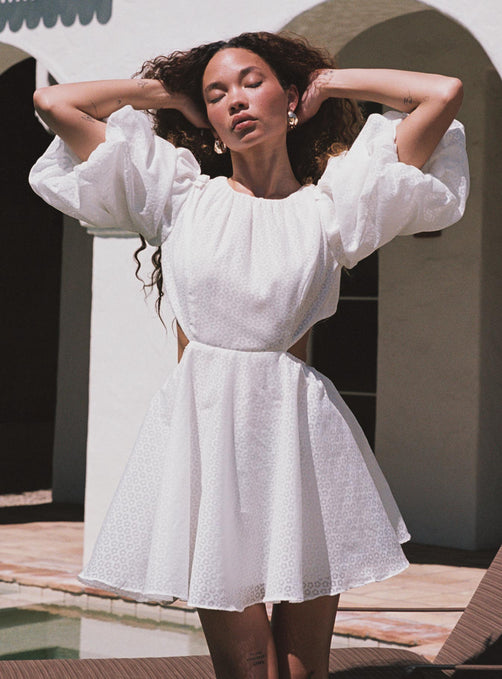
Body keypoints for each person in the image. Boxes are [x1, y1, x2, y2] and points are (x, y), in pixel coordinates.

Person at [29, 31, 468, 679]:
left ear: (288, 98)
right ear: (206, 120)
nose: (234, 99)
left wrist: (324, 84)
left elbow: (441, 94)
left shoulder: (334, 206)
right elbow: (54, 101)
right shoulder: (180, 196)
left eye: (251, 82)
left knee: (302, 666)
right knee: (248, 663)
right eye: (217, 94)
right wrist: (170, 95)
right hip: (206, 442)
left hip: (300, 444)